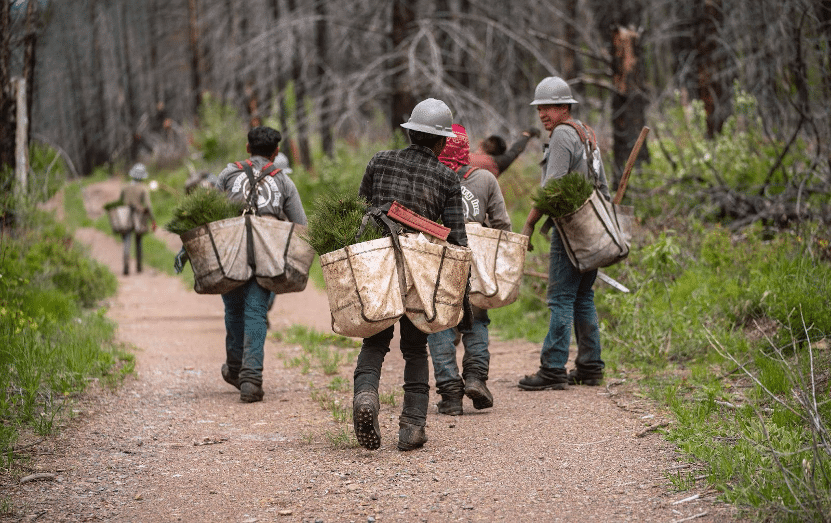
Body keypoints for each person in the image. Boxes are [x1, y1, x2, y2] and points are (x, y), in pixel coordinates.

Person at [352, 98, 468, 451]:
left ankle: (366, 395)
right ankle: (412, 425)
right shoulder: (447, 177)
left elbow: (360, 207)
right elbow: (457, 239)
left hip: (378, 260)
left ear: (409, 132)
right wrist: (463, 292)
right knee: (416, 348)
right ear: (443, 141)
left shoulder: (380, 160)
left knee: (374, 338)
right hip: (421, 267)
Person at [519, 76, 611, 391]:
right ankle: (589, 366)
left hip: (570, 228)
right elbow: (603, 184)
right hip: (592, 227)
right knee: (583, 295)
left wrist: (530, 223)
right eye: (539, 108)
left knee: (561, 297)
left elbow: (553, 187)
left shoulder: (561, 134)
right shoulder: (586, 133)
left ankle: (553, 368)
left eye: (548, 107)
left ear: (564, 106)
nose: (542, 113)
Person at [214, 126, 308, 403]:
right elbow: (299, 225)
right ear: (276, 152)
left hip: (231, 251)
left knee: (233, 310)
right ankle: (251, 379)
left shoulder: (228, 174)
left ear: (247, 148)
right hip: (267, 254)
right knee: (256, 311)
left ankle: (234, 369)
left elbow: (208, 213)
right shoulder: (283, 182)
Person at [427, 123, 512, 415]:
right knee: (477, 320)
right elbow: (502, 224)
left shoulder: (429, 177)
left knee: (439, 324)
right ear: (465, 149)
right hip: (477, 263)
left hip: (438, 261)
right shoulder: (485, 178)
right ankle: (476, 377)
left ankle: (450, 394)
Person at [120, 163, 157, 276]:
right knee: (138, 240)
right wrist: (153, 220)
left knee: (127, 239)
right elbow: (148, 205)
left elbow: (121, 201)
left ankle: (126, 266)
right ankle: (139, 266)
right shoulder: (143, 188)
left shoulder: (125, 187)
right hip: (138, 217)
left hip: (125, 215)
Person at [469, 128, 541, 177]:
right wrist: (526, 135)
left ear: (480, 143)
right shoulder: (495, 164)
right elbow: (515, 151)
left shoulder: (462, 156)